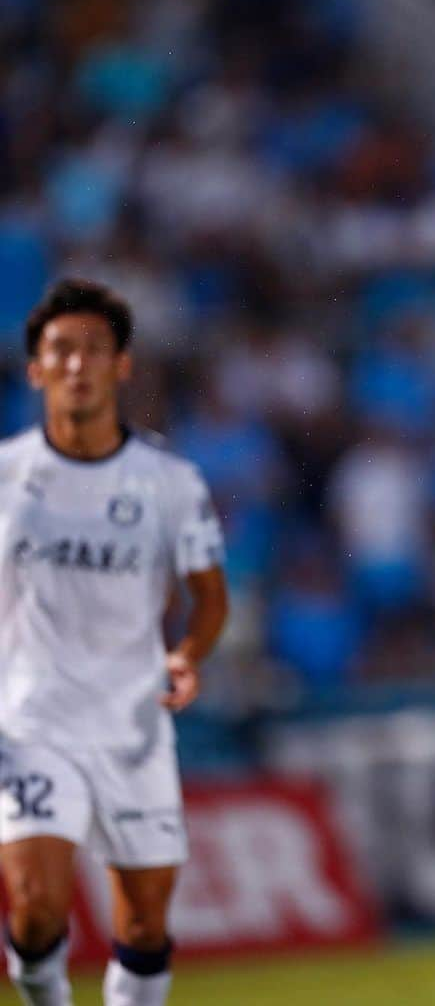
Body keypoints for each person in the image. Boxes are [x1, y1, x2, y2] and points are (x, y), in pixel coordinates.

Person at [0, 280, 228, 1006]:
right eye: (60, 350)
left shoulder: (169, 482)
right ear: (35, 368)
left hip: (132, 726)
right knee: (36, 905)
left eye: (94, 350)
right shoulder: (6, 478)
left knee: (145, 921)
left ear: (121, 366)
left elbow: (210, 595)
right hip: (30, 722)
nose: (77, 365)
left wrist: (189, 654)